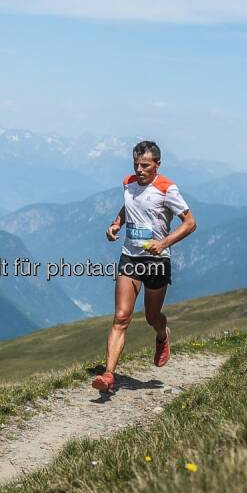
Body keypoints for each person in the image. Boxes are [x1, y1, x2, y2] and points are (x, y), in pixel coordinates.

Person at [91, 140, 197, 393]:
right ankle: (108, 375)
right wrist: (116, 224)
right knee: (121, 317)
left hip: (157, 261)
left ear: (157, 165)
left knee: (152, 316)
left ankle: (162, 335)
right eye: (136, 164)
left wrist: (164, 243)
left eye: (145, 165)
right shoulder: (128, 183)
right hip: (130, 257)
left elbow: (190, 223)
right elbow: (129, 208)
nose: (139, 169)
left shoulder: (167, 188)